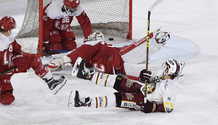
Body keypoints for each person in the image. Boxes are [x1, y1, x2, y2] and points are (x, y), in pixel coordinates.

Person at [68, 58, 185, 113]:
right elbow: (151, 78)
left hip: (141, 100)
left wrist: (153, 107)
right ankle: (85, 75)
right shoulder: (162, 74)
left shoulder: (170, 88)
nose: (163, 68)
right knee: (118, 80)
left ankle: (83, 102)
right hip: (140, 88)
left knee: (117, 98)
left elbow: (169, 107)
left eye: (166, 67)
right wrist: (143, 77)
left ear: (168, 71)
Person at [47, 29, 170, 78]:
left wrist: (62, 60)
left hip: (120, 57)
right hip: (120, 68)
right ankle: (165, 71)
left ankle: (156, 38)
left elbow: (80, 52)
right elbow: (82, 60)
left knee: (139, 50)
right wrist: (64, 65)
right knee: (143, 73)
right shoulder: (93, 53)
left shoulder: (95, 44)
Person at [0, 16, 67, 105]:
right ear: (7, 29)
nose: (11, 32)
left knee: (33, 59)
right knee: (8, 99)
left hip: (11, 67)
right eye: (11, 29)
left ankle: (50, 81)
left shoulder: (9, 39)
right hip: (2, 75)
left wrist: (18, 58)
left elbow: (17, 49)